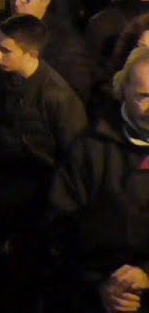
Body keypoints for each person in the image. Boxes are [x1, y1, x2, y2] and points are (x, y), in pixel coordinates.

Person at [0, 14, 87, 313]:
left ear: (31, 53)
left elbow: (74, 157)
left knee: (23, 278)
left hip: (34, 197)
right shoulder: (1, 78)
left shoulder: (57, 97)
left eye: (6, 50)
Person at [50, 46, 149, 312]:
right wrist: (102, 285)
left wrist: (147, 275)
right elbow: (61, 223)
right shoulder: (89, 149)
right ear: (123, 91)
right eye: (143, 96)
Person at [8, 0, 99, 105]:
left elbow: (74, 96)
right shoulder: (5, 30)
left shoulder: (66, 42)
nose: (16, 3)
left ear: (46, 1)